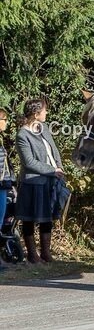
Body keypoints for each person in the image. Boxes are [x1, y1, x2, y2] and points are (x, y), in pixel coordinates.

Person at [15, 98, 63, 263]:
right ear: (36, 114)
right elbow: (29, 162)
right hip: (33, 182)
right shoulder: (23, 134)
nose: (46, 113)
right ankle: (32, 255)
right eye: (44, 110)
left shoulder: (44, 128)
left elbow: (54, 150)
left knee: (47, 218)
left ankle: (46, 253)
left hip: (50, 180)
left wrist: (59, 166)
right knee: (29, 218)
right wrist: (52, 170)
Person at [0, 110, 14, 270]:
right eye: (4, 119)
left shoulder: (1, 140)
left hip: (3, 185)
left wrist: (12, 183)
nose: (6, 122)